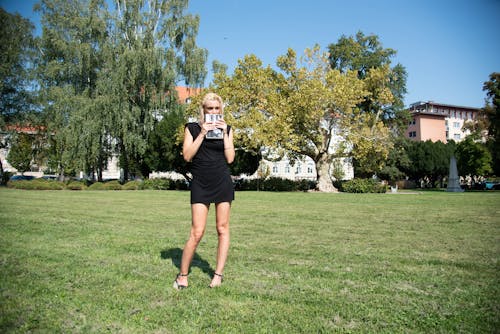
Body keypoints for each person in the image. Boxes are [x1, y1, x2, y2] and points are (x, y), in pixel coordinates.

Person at [173, 92, 235, 289]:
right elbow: (187, 156)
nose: (214, 112)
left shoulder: (228, 128)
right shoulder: (191, 128)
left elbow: (231, 158)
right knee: (197, 232)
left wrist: (224, 133)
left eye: (217, 108)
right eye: (210, 108)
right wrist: (202, 132)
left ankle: (218, 275)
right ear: (203, 109)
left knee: (222, 228)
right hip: (201, 183)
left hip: (222, 181)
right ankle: (182, 276)